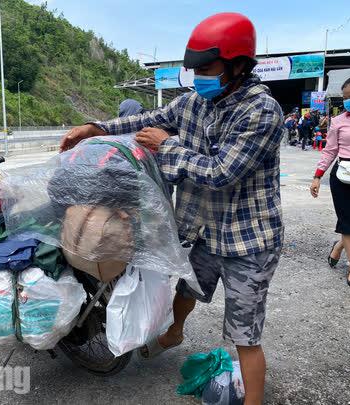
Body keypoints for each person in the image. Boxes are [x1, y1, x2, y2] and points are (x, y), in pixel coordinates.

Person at [61, 13, 284, 405]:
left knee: (244, 333)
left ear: (239, 65)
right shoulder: (195, 102)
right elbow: (146, 118)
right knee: (187, 287)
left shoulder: (260, 111)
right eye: (195, 69)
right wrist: (95, 127)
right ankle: (174, 332)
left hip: (248, 240)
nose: (199, 76)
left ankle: (254, 401)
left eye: (208, 68)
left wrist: (167, 146)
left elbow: (220, 172)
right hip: (202, 230)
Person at [310, 75, 350, 290]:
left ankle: (339, 246)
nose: (348, 101)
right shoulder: (338, 121)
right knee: (349, 222)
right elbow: (330, 151)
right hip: (344, 176)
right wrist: (317, 176)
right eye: (345, 98)